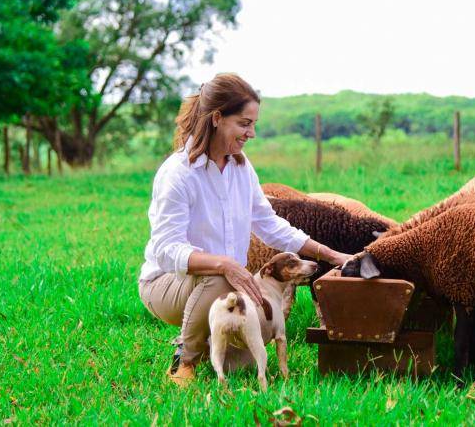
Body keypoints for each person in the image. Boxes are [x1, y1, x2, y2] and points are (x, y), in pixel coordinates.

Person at [138, 73, 351, 385]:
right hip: (167, 284)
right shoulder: (178, 174)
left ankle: (211, 344)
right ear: (216, 118)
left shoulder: (240, 167)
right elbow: (167, 251)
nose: (251, 133)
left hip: (221, 282)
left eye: (254, 124)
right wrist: (225, 263)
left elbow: (268, 223)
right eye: (244, 123)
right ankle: (184, 361)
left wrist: (331, 254)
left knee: (262, 324)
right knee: (222, 276)